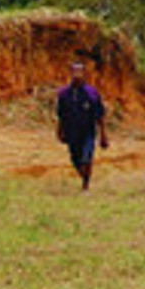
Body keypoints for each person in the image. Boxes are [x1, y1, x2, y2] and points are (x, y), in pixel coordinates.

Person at [55, 58, 108, 190]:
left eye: (80, 71)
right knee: (75, 159)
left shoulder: (92, 94)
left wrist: (103, 135)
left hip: (88, 131)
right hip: (71, 131)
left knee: (86, 158)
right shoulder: (64, 94)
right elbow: (61, 114)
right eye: (74, 71)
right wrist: (59, 130)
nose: (76, 74)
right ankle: (83, 175)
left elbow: (100, 115)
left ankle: (86, 185)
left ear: (85, 74)